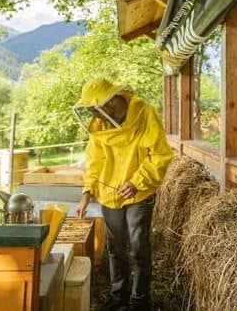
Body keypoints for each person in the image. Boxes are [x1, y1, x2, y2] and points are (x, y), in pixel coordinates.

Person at [73, 78, 174, 311]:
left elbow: (160, 154)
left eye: (95, 109)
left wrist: (137, 182)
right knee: (115, 248)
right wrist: (86, 192)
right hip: (110, 194)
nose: (94, 115)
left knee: (138, 247)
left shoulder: (145, 113)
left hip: (138, 194)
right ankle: (119, 295)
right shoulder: (99, 125)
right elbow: (95, 161)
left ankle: (139, 301)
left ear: (111, 102)